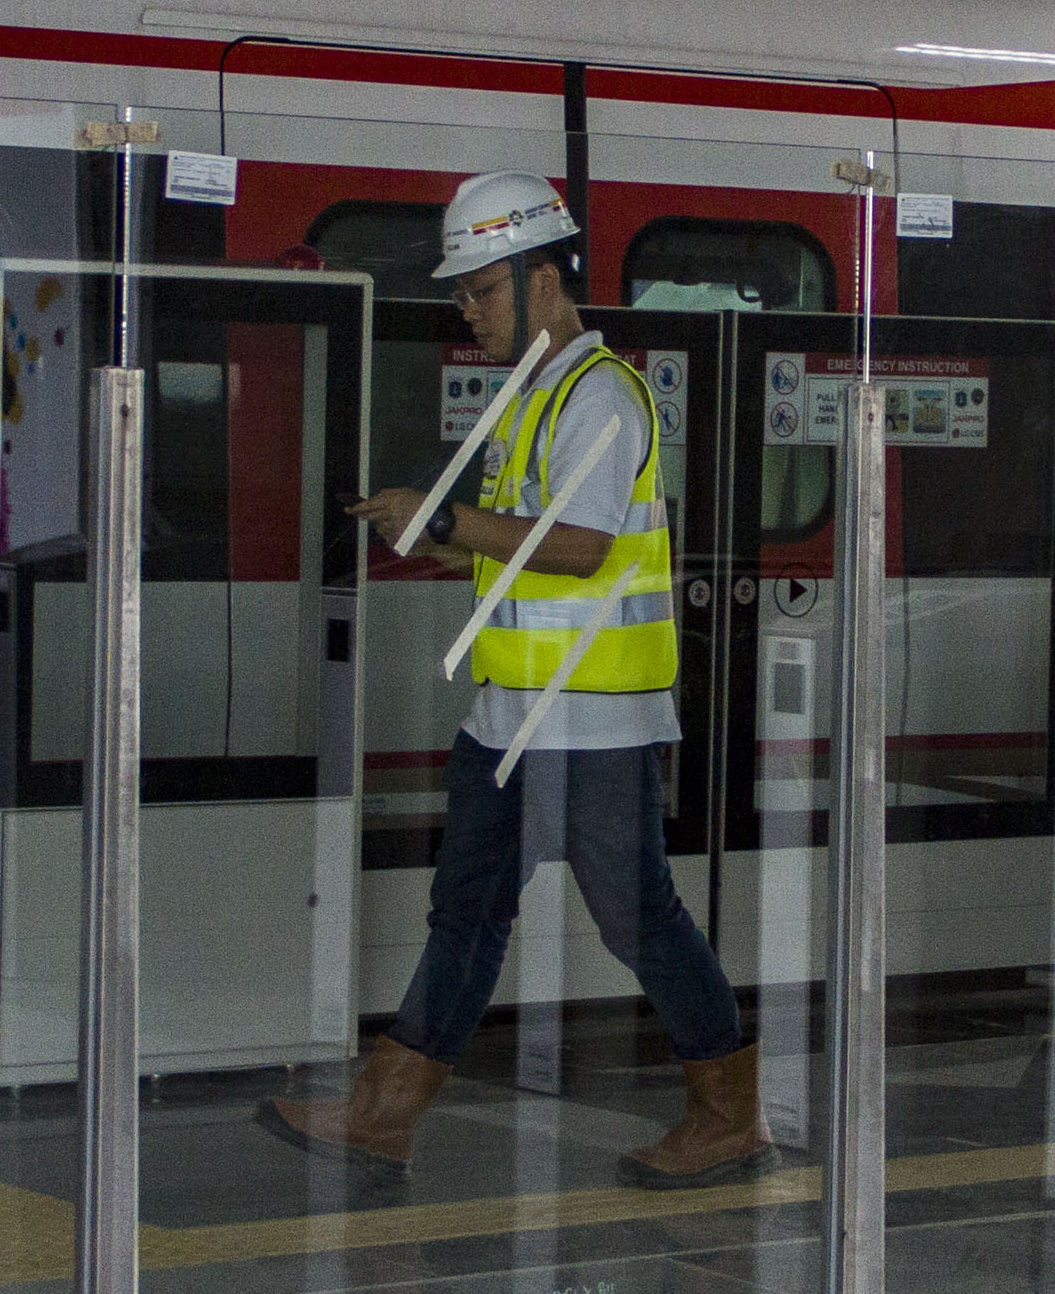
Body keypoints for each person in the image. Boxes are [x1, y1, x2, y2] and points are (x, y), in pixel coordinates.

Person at [260, 170, 769, 1190]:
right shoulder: (532, 397)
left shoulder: (599, 397)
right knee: (466, 913)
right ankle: (385, 1112)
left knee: (638, 922)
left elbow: (580, 548)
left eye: (481, 289)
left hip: (592, 723)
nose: (468, 310)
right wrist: (437, 541)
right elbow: (524, 551)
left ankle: (728, 1115)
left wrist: (443, 520)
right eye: (462, 294)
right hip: (512, 717)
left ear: (543, 277)